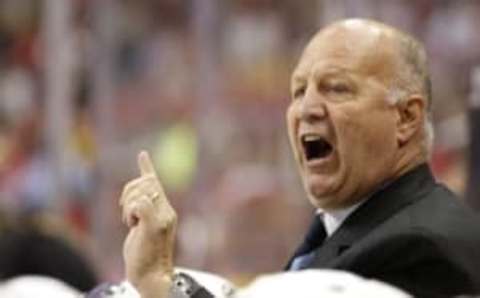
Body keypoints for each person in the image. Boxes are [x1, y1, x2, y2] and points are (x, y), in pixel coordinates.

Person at [113, 19, 480, 298]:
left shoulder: (419, 248)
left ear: (406, 118)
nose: (306, 108)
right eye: (298, 91)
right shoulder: (352, 229)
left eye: (336, 88)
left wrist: (162, 283)